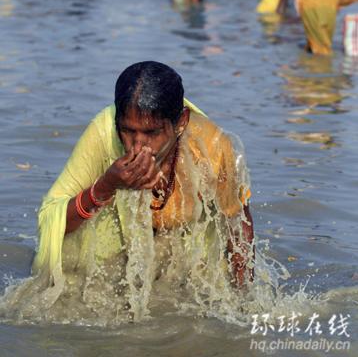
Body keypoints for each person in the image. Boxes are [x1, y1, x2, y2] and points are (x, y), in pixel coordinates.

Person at [1, 62, 254, 323]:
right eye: (127, 130)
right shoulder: (102, 134)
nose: (137, 145)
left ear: (181, 122)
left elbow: (237, 223)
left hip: (180, 255)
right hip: (112, 255)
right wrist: (105, 187)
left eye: (151, 132)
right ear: (116, 122)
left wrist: (244, 299)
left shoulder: (210, 146)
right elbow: (51, 222)